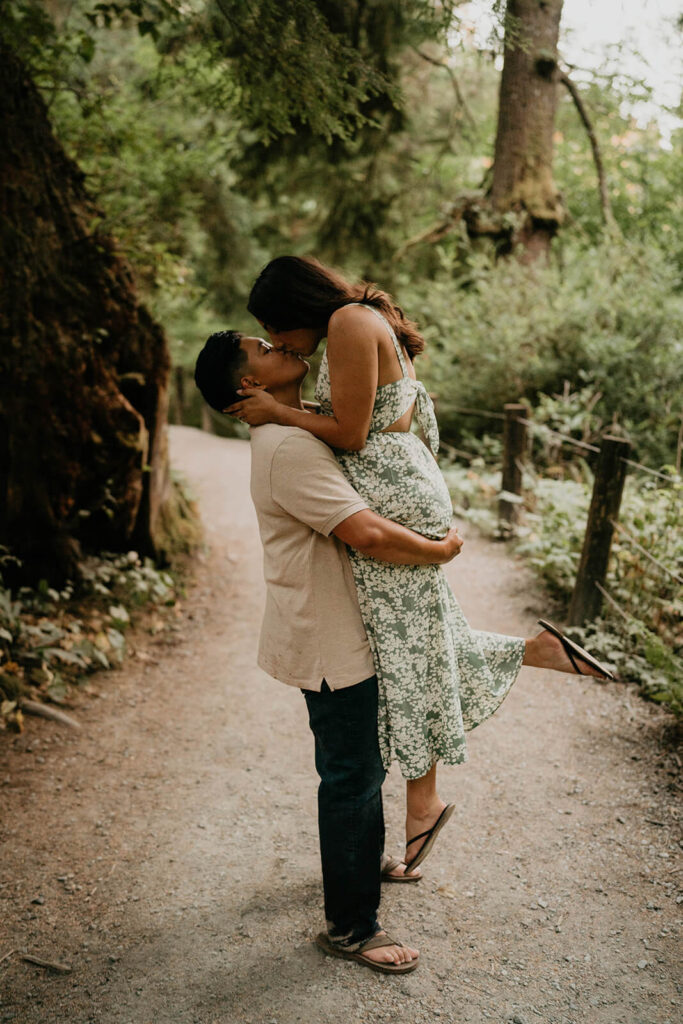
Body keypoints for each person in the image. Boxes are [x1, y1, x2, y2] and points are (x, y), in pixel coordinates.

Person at [227, 256, 615, 876]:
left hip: (392, 499)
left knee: (405, 652)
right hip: (402, 488)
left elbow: (351, 434)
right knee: (416, 639)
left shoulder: (351, 323)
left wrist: (279, 413)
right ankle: (532, 656)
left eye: (277, 329)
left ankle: (425, 804)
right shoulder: (361, 319)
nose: (282, 343)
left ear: (299, 307)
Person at [194, 329, 467, 975]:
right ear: (248, 386)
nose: (279, 346)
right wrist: (439, 550)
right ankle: (351, 927)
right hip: (327, 638)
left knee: (355, 765)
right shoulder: (288, 447)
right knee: (352, 775)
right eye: (262, 348)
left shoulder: (295, 428)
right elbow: (366, 532)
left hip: (335, 628)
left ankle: (359, 862)